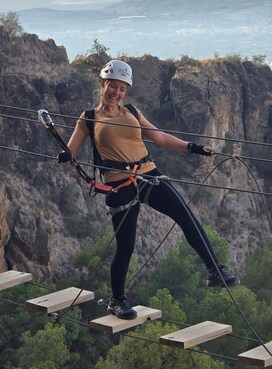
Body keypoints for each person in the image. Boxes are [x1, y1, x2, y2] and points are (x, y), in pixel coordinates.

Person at [58, 59, 238, 319]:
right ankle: (117, 300)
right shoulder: (89, 118)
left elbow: (160, 137)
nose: (117, 93)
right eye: (113, 86)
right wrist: (64, 155)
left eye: (122, 88)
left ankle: (215, 270)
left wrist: (192, 147)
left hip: (148, 174)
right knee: (126, 245)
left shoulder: (131, 110)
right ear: (102, 84)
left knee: (186, 216)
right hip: (119, 184)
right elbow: (71, 152)